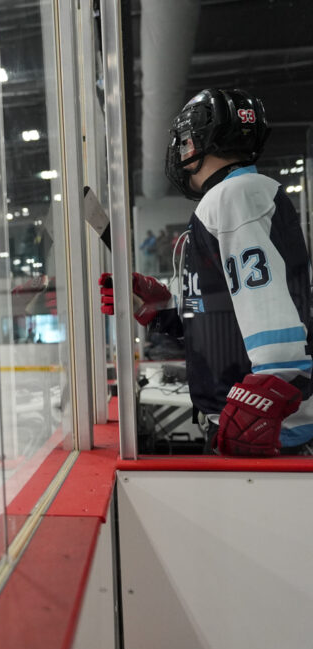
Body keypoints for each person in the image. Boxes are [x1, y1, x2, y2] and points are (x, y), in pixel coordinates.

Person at [101, 87, 313, 456]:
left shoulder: (234, 195)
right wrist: (163, 307)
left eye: (182, 141)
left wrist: (271, 385)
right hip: (262, 418)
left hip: (273, 426)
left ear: (196, 142)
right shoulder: (237, 196)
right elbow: (223, 312)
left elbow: (268, 303)